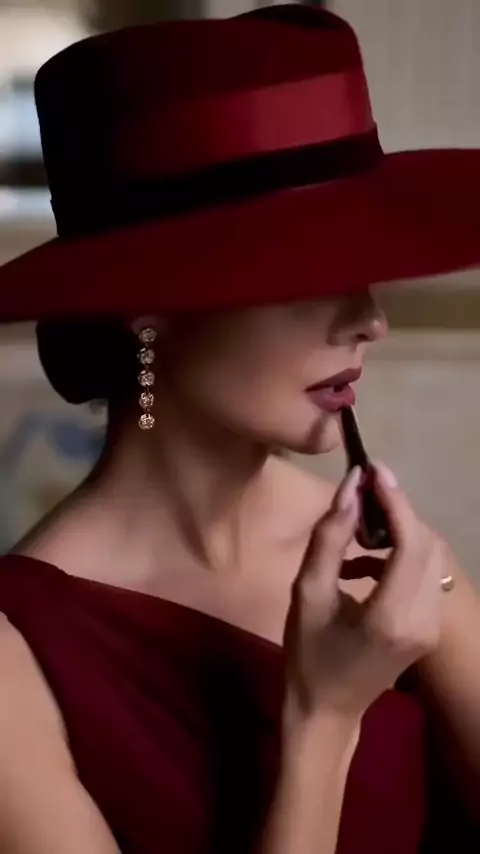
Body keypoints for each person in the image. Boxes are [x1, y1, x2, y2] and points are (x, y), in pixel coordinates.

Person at [0, 5, 479, 854]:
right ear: (146, 303)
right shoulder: (18, 652)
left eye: (367, 268)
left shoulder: (391, 560)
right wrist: (324, 717)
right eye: (312, 268)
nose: (369, 321)